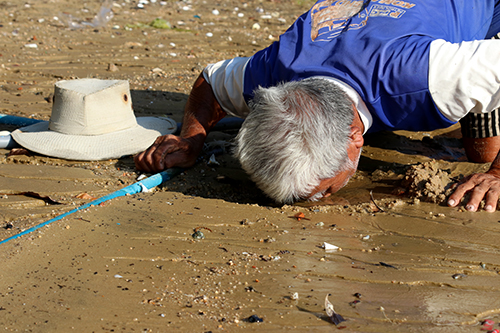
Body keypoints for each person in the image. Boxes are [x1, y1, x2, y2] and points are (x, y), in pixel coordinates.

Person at [135, 0, 500, 212]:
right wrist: (191, 139)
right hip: (381, 26)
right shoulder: (269, 72)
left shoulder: (432, 79)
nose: (319, 200)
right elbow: (210, 83)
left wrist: (497, 175)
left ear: (355, 138)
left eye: (323, 190)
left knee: (484, 154)